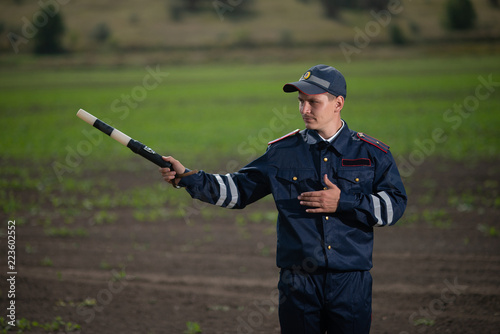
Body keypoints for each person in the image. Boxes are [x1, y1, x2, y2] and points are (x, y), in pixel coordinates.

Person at [159, 64, 407, 333]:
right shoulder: (281, 152)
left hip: (351, 282)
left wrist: (343, 202)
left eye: (313, 102)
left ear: (338, 103)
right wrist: (188, 177)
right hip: (298, 284)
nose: (304, 110)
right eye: (300, 102)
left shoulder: (372, 153)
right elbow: (239, 190)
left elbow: (395, 206)